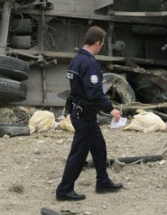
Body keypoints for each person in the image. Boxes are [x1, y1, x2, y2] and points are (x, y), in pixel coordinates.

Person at [56, 26, 123, 201]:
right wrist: (111, 108)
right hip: (84, 114)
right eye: (102, 44)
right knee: (78, 154)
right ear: (98, 43)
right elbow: (94, 93)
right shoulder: (90, 63)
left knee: (99, 146)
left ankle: (103, 181)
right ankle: (64, 190)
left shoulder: (76, 60)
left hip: (81, 112)